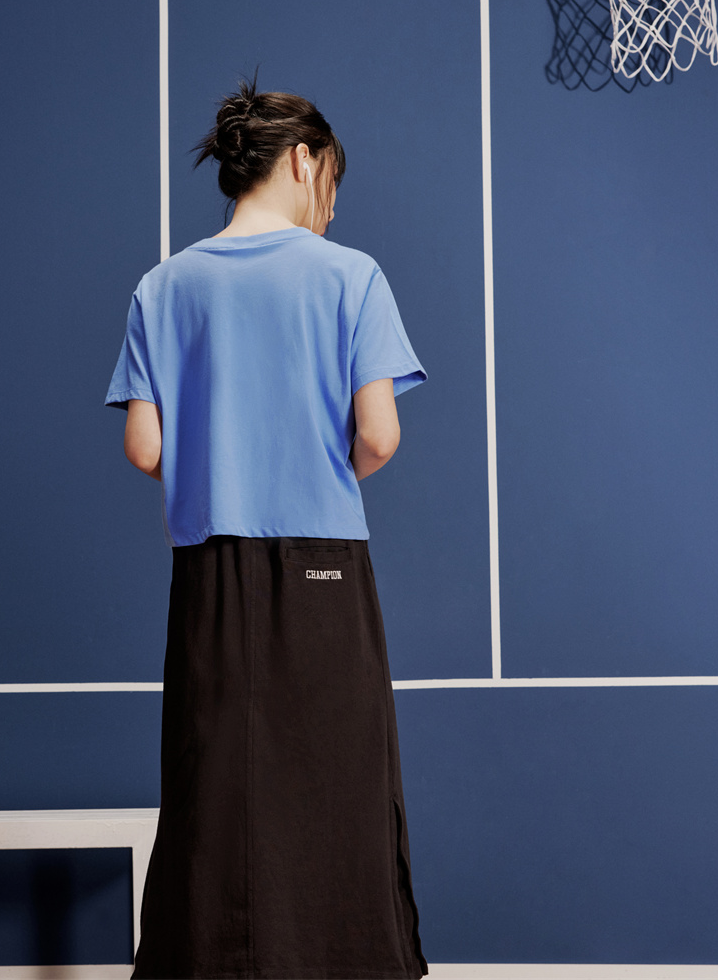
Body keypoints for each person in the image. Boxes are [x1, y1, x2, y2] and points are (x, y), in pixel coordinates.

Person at [106, 75, 429, 980]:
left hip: (208, 574)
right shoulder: (351, 275)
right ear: (302, 160)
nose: (332, 205)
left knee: (213, 789)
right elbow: (378, 436)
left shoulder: (163, 286)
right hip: (324, 568)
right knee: (339, 791)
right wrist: (318, 472)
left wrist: (219, 469)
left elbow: (144, 446)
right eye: (332, 181)